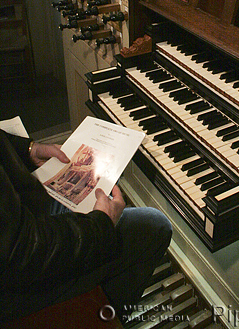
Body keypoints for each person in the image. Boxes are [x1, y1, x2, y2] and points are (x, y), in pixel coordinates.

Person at [0, 128, 172, 324]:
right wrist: (100, 226)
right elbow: (23, 251)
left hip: (21, 214)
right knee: (153, 226)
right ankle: (105, 319)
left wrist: (26, 149)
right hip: (16, 285)